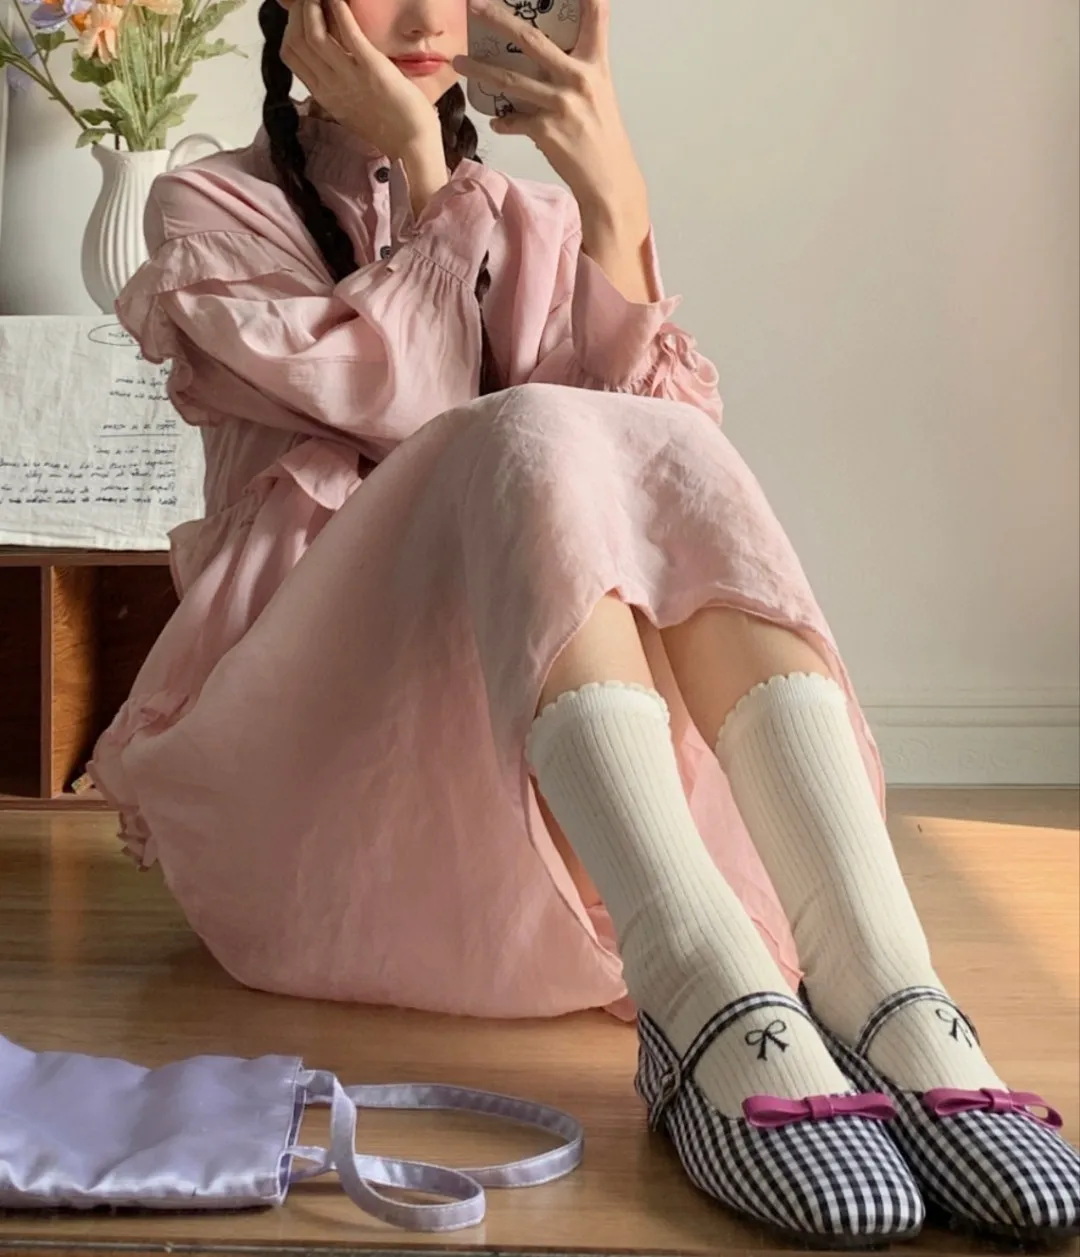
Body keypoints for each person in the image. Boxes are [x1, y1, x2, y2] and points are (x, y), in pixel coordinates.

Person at [89, 0, 1079, 1245]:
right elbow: (419, 413)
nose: (423, 15)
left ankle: (884, 982)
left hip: (557, 857)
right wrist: (434, 173)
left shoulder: (532, 223)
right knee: (519, 428)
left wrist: (613, 201)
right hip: (329, 819)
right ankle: (700, 985)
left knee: (647, 433)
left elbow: (660, 499)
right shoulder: (207, 211)